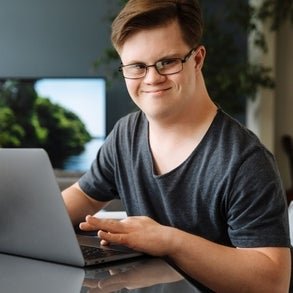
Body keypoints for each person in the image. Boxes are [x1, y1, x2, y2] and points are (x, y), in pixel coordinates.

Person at [62, 0, 291, 291]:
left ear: (197, 59)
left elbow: (274, 283)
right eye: (136, 66)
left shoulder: (246, 161)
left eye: (167, 62)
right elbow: (80, 197)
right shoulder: (125, 134)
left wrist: (168, 240)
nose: (152, 78)